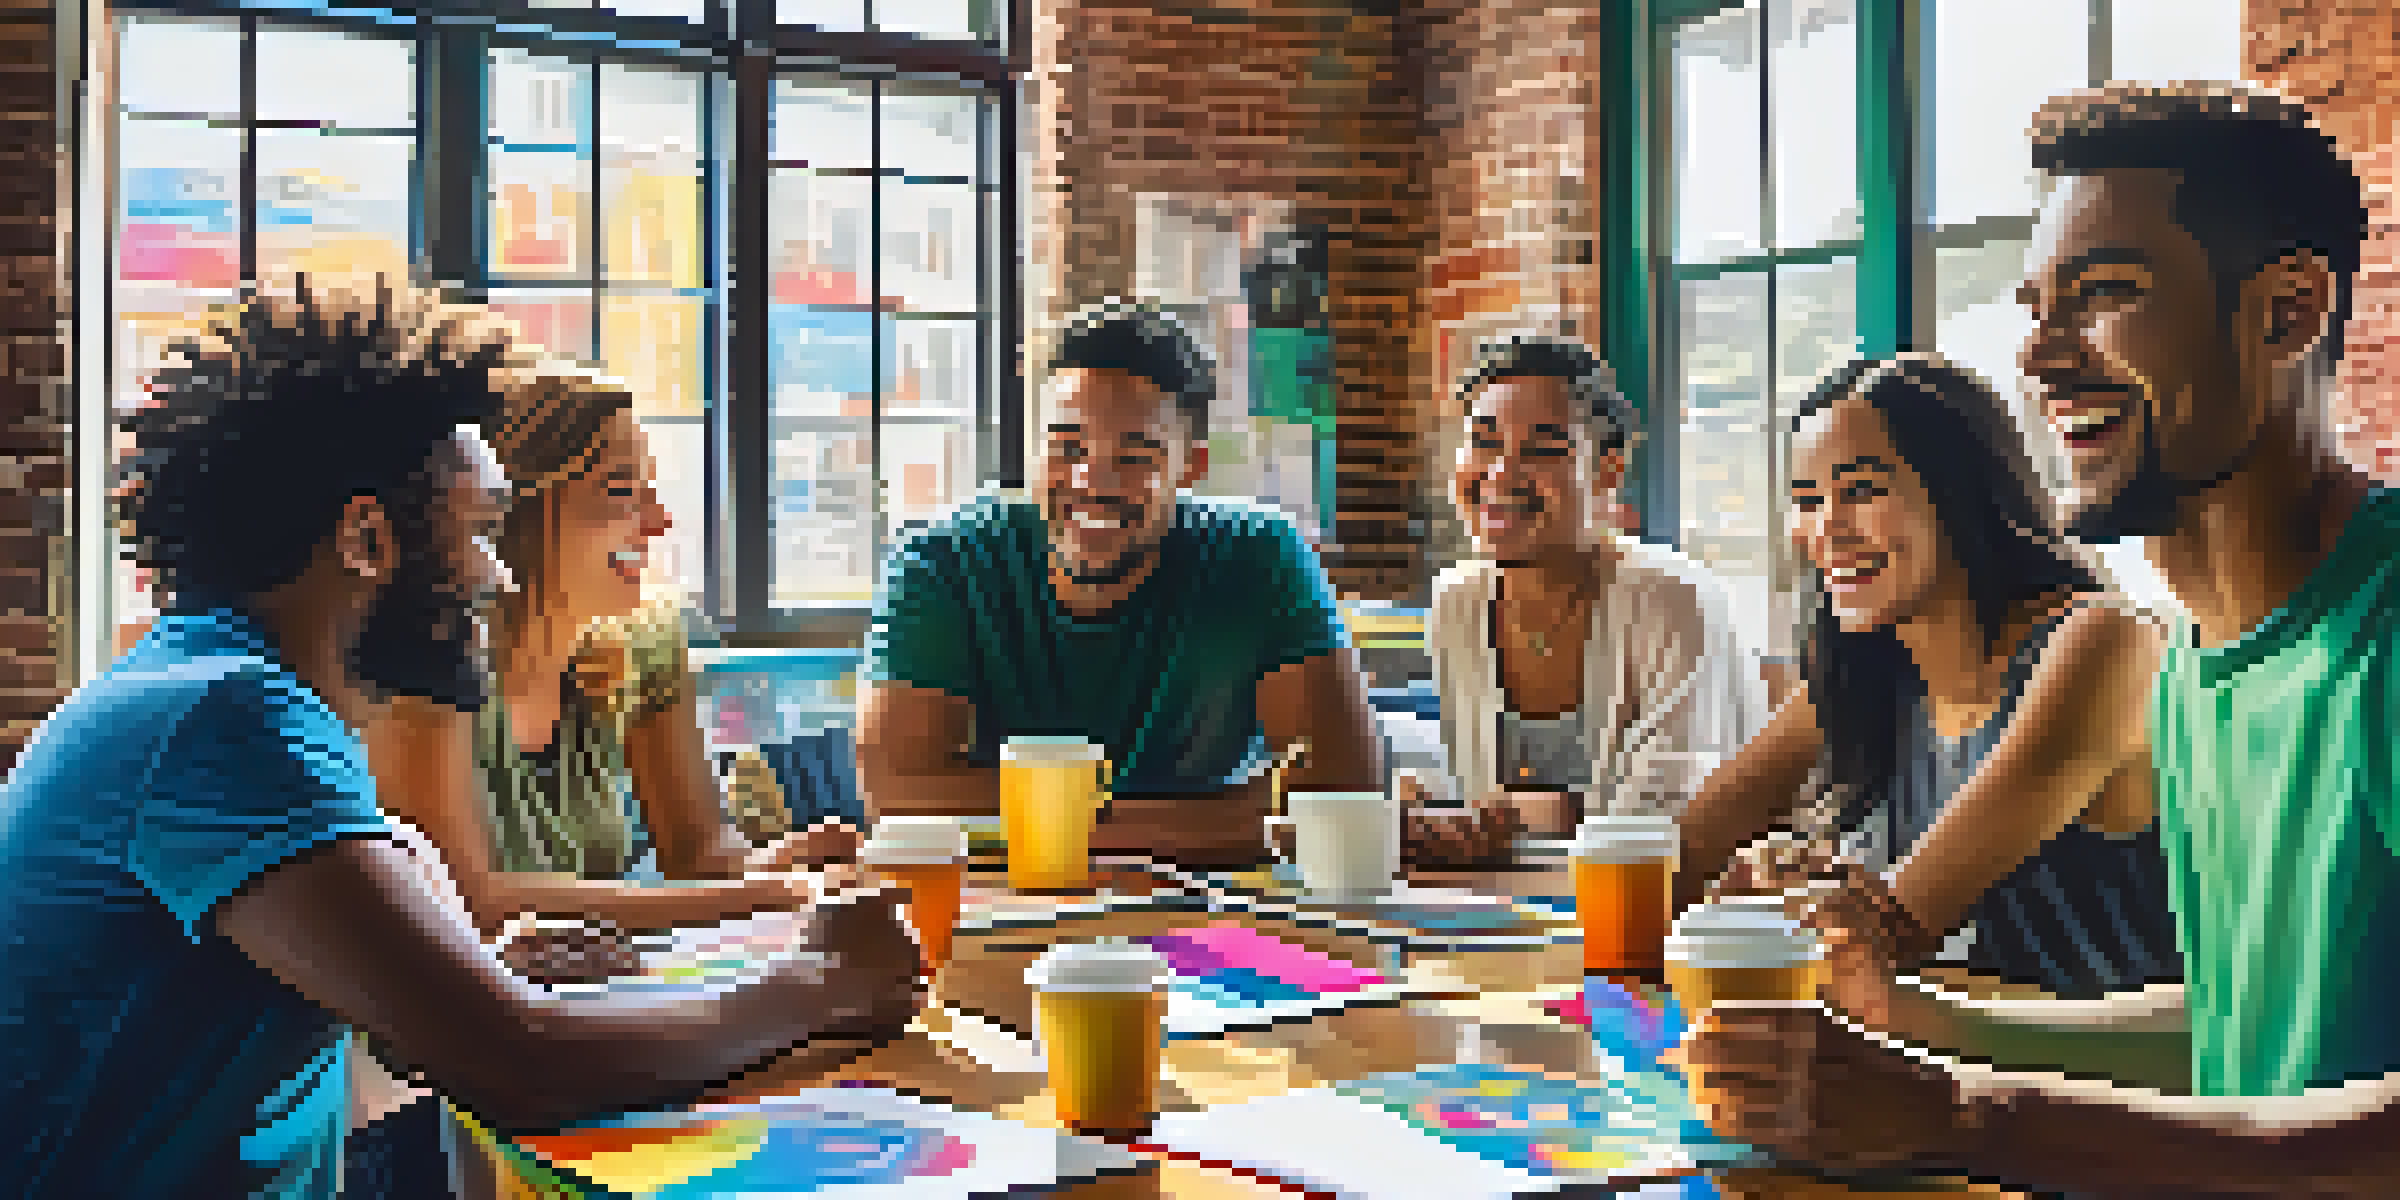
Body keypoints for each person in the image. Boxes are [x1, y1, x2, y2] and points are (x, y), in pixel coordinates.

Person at [0, 275, 921, 1197]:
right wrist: (817, 982)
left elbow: (241, 1038)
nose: (497, 575)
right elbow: (517, 1068)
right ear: (366, 539)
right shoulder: (230, 724)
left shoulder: (220, 693)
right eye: (480, 528)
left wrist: (461, 981)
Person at [1671, 83, 2400, 1196]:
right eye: (2036, 307)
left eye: (2105, 295)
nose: (2042, 356)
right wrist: (1911, 1012)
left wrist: (1972, 1114)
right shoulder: (2196, 670)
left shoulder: (2382, 629)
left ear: (2287, 312)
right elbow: (2222, 1030)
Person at [1676, 353, 2179, 1002]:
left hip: (2095, 1089)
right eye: (1807, 500)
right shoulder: (1875, 664)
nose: (1827, 527)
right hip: (1935, 1070)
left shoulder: (2098, 645)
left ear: (1959, 491)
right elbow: (1678, 864)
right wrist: (1770, 881)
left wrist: (1793, 903)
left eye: (1862, 490)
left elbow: (1887, 939)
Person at [859, 301, 1385, 866]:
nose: (1091, 483)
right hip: (1010, 903)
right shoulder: (943, 560)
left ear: (1191, 467)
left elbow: (1340, 794)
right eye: (1067, 447)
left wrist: (1048, 820)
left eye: (1136, 457)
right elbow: (900, 796)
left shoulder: (1261, 554)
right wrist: (1223, 822)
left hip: (1213, 907)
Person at [363, 361, 856, 940]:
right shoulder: (428, 657)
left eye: (652, 490)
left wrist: (783, 866)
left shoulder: (645, 640)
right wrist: (765, 898)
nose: (660, 521)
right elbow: (466, 900)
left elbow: (697, 854)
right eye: (621, 491)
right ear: (512, 510)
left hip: (596, 985)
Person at [1427, 336, 1762, 844]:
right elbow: (1480, 813)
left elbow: (1667, 821)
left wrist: (1505, 817)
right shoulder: (1457, 603)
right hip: (1517, 907)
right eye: (1484, 441)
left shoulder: (1673, 598)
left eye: (1542, 449)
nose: (1501, 473)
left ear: (1608, 470)